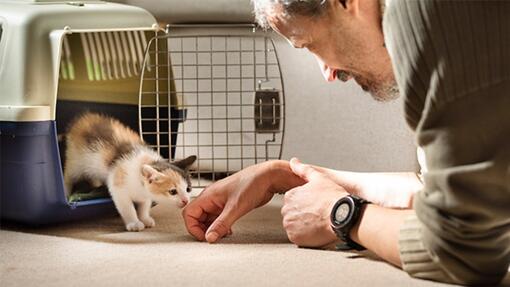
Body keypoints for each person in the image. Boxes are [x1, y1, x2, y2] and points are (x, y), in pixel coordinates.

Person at [182, 0, 510, 285]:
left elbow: (464, 247)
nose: (327, 72)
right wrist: (286, 175)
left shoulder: (427, 15)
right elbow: (457, 189)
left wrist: (340, 214)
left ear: (346, 3)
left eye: (308, 44)